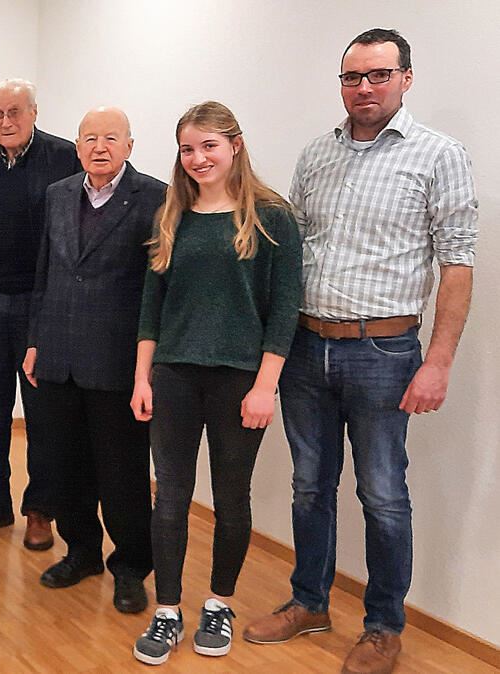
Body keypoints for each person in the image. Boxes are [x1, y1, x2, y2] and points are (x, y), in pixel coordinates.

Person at [242, 29, 477, 674]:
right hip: (305, 347)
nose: (364, 87)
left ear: (406, 78)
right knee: (309, 487)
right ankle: (309, 602)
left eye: (378, 75)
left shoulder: (439, 155)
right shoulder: (317, 154)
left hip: (385, 353)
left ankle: (382, 627)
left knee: (383, 494)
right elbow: (295, 252)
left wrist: (439, 360)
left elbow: (457, 263)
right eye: (352, 77)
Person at [128, 101, 301, 666]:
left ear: (235, 145)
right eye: (187, 149)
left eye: (209, 146)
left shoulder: (272, 218)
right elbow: (151, 309)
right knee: (170, 497)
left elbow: (284, 311)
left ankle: (219, 604)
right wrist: (142, 378)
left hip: (239, 381)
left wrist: (265, 386)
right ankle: (167, 611)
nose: (198, 158)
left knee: (230, 499)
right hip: (173, 376)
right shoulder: (171, 216)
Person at [23, 106, 165, 615]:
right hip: (58, 354)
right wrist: (35, 340)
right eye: (89, 139)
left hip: (118, 360)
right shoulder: (58, 194)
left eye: (110, 138)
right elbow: (45, 273)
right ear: (78, 146)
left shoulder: (156, 198)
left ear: (129, 145)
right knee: (65, 465)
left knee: (122, 473)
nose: (99, 147)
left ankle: (131, 567)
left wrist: (148, 365)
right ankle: (80, 551)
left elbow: (158, 287)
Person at [0, 78, 79, 550]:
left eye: (15, 112)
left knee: (42, 415)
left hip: (38, 308)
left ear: (33, 112)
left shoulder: (64, 157)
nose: (6, 122)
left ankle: (40, 510)